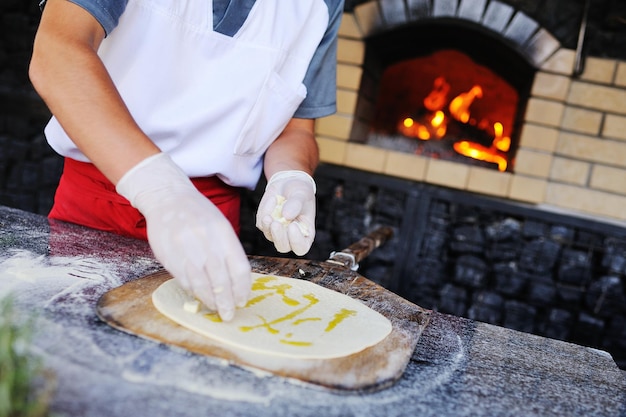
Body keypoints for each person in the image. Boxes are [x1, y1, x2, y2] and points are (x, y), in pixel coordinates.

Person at [29, 0, 344, 321]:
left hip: (209, 225)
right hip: (96, 203)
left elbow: (297, 130)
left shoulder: (324, 5)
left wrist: (292, 176)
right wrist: (162, 191)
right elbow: (58, 52)